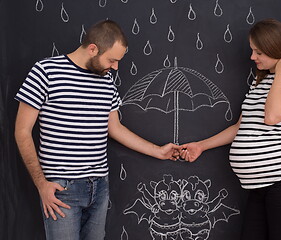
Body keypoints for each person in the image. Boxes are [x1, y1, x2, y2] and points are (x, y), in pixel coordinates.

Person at [14, 19, 181, 240]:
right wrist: (41, 184)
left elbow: (115, 128)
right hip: (62, 188)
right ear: (93, 48)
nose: (115, 67)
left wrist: (158, 151)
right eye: (112, 60)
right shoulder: (45, 71)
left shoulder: (106, 80)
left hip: (99, 185)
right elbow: (22, 131)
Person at [180, 18, 281, 240]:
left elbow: (272, 117)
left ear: (276, 49)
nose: (252, 57)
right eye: (253, 50)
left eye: (259, 52)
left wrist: (280, 75)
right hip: (260, 187)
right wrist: (201, 146)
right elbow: (241, 127)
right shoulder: (259, 82)